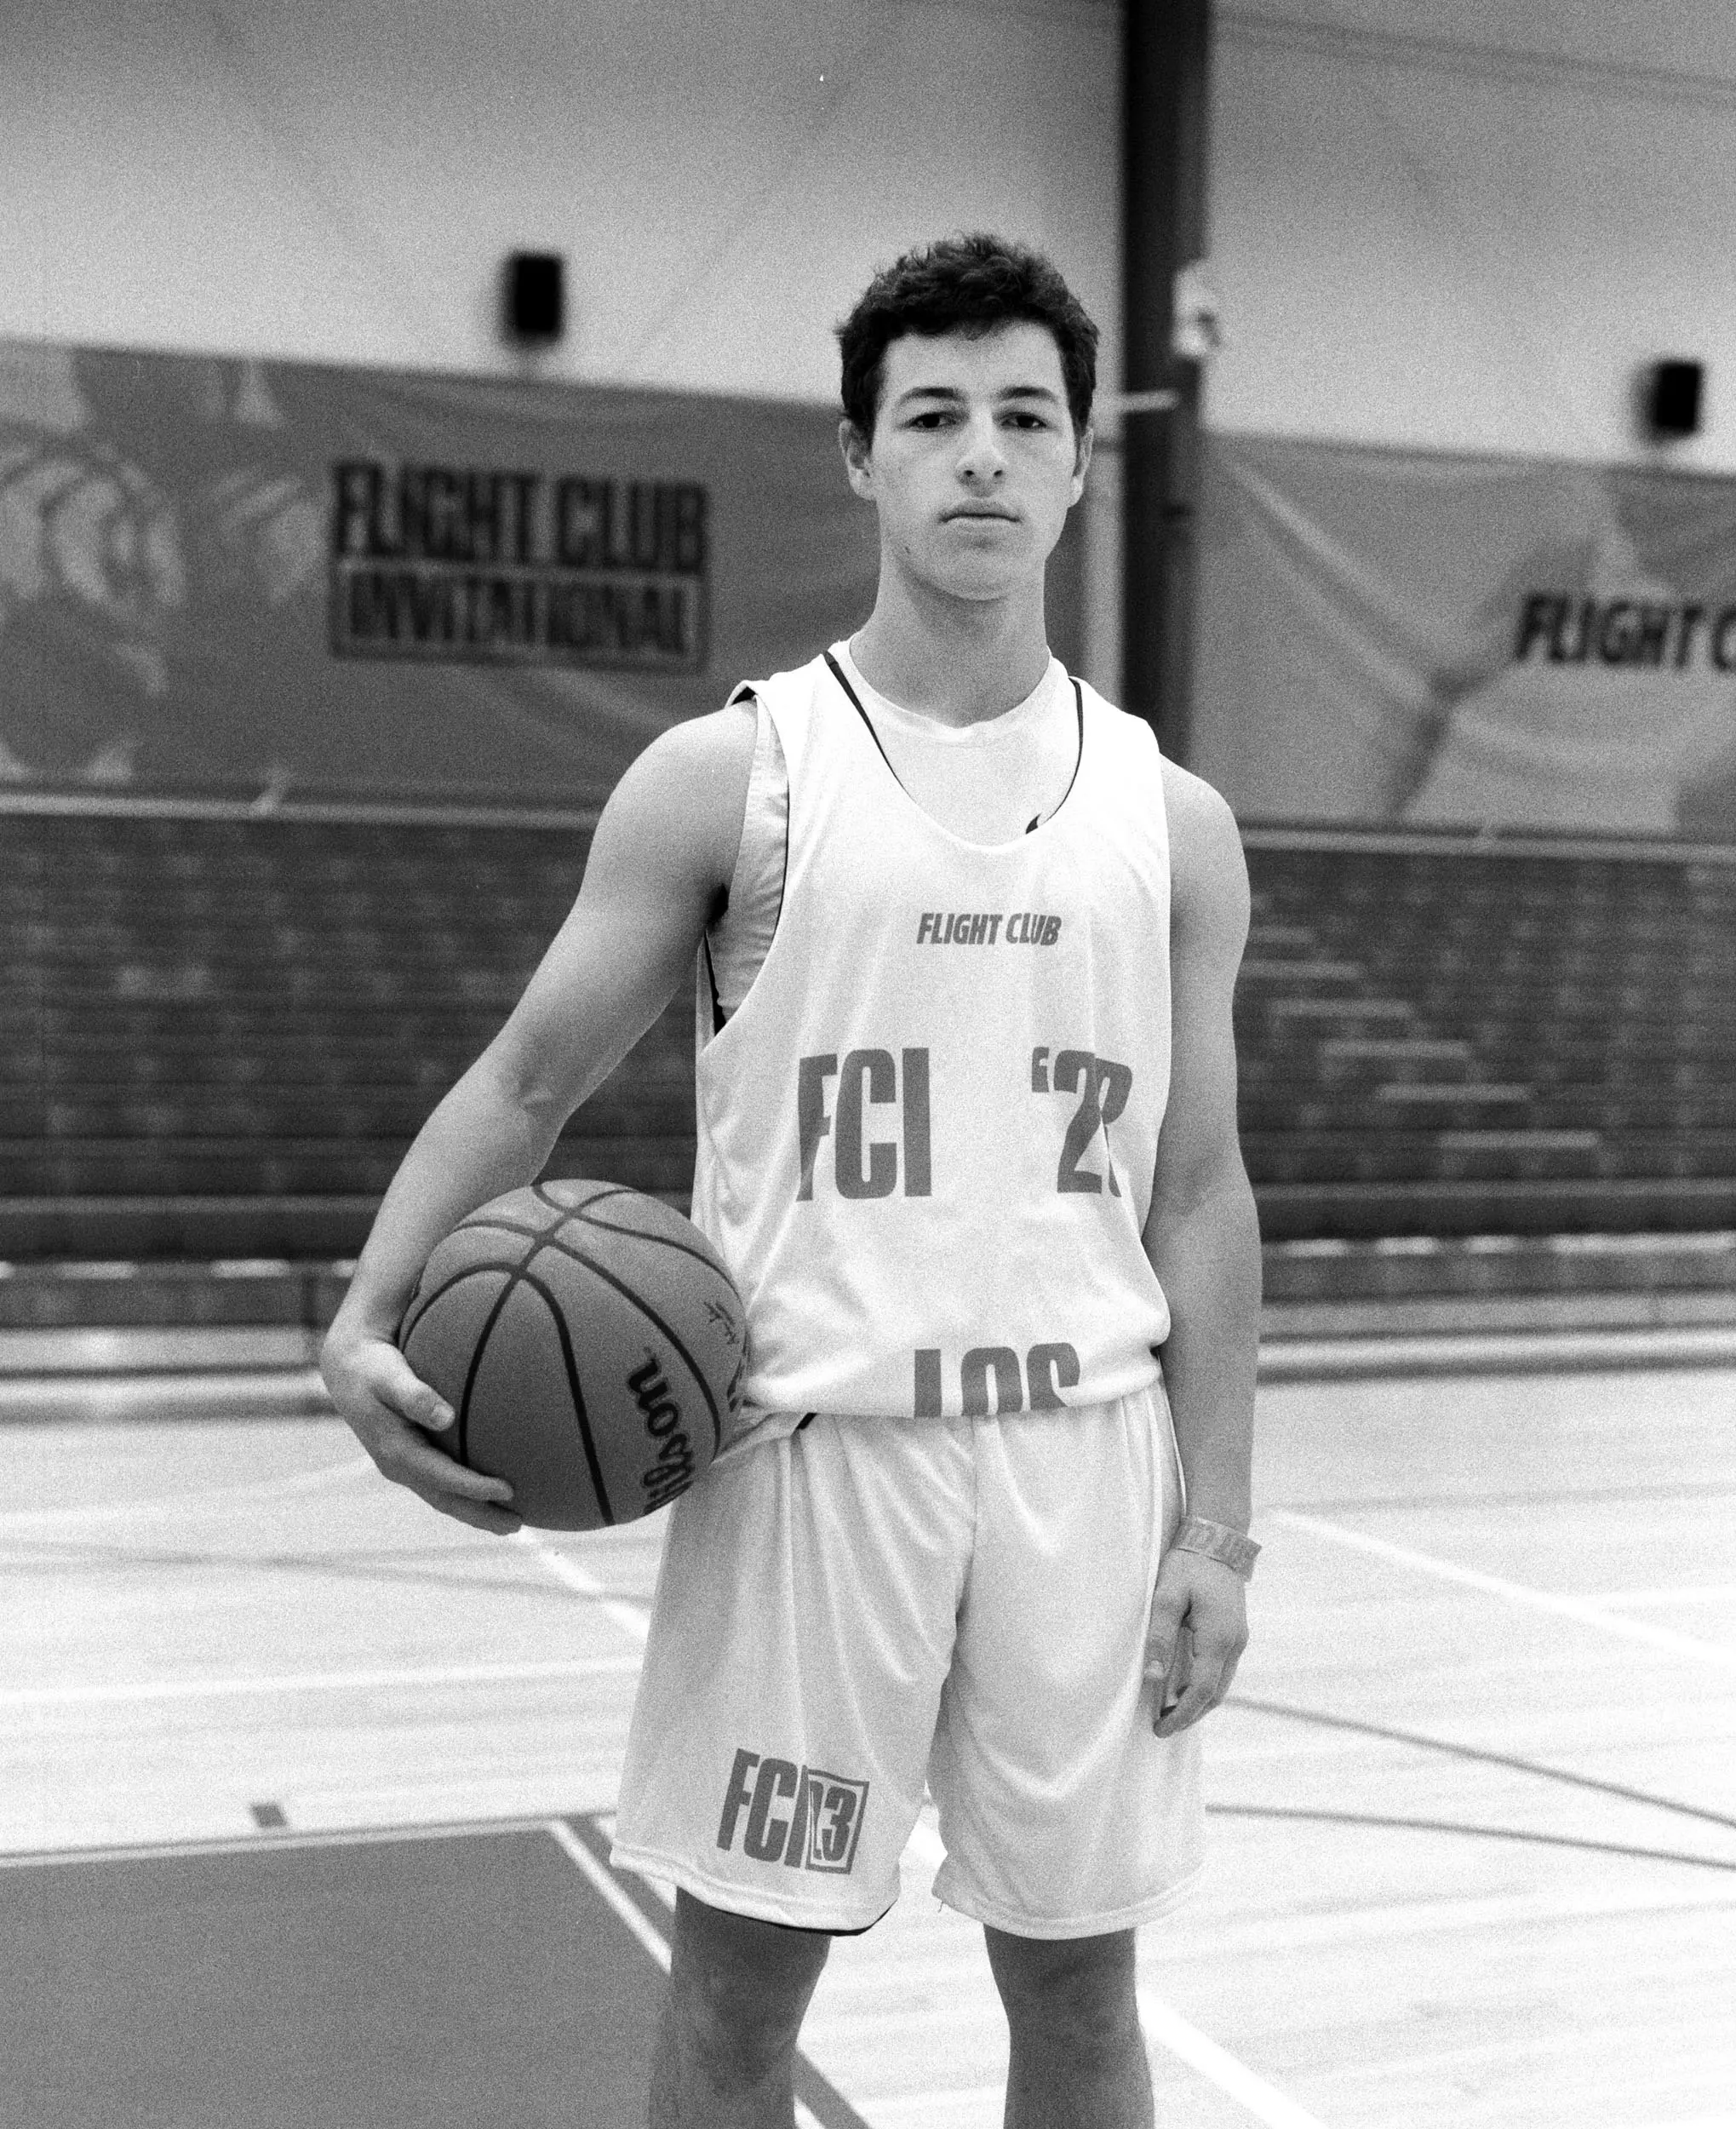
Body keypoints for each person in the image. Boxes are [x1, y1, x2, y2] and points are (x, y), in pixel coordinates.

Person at [321, 232, 1261, 2129]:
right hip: (804, 1459)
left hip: (1084, 1463)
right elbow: (527, 1081)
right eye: (933, 416)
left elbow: (1200, 1192)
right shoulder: (730, 775)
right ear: (858, 454)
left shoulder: (1172, 822)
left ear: (1082, 462)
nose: (981, 453)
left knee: (1083, 1998)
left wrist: (1219, 1532)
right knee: (739, 2008)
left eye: (1026, 418)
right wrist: (365, 1313)